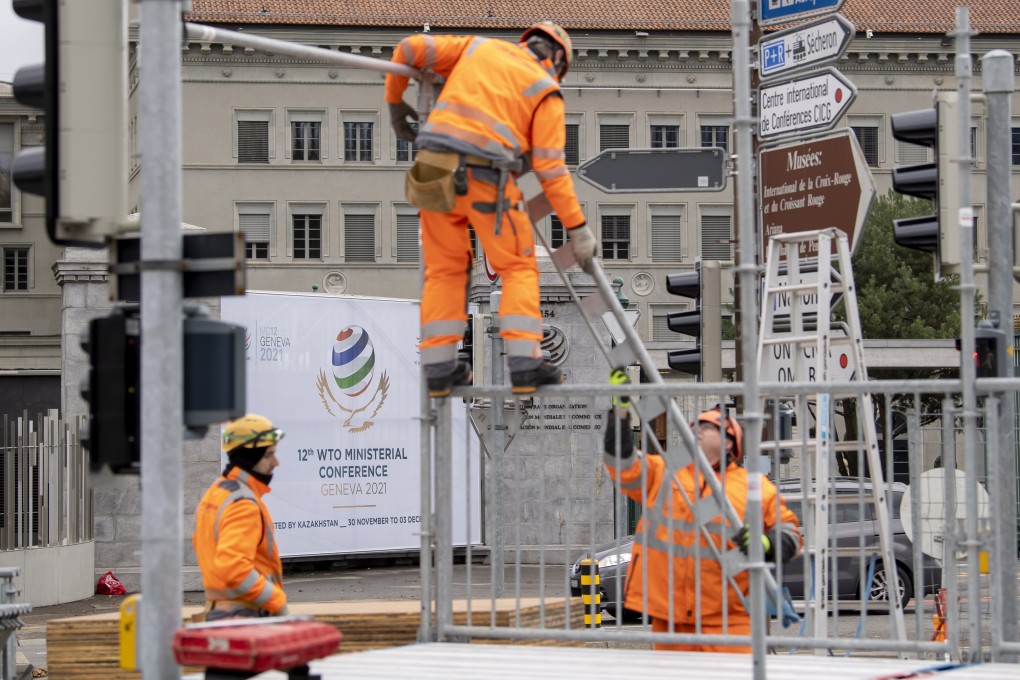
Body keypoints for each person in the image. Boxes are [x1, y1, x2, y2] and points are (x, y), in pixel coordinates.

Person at [384, 22, 597, 397]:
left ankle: (438, 369)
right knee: (517, 266)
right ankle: (525, 363)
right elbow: (551, 169)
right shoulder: (545, 90)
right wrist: (577, 229)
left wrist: (395, 103)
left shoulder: (477, 48)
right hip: (485, 177)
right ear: (558, 58)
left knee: (445, 271)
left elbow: (408, 49)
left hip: (432, 170)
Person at [603, 397, 802, 653]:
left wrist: (765, 543)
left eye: (707, 428)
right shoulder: (665, 472)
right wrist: (618, 418)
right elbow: (622, 465)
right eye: (695, 425)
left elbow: (790, 534)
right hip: (671, 619)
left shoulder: (754, 487)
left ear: (729, 442)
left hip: (730, 619)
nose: (697, 430)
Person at [194, 413, 288, 621]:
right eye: (268, 455)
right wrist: (277, 602)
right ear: (250, 457)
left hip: (222, 614)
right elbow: (234, 568)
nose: (275, 462)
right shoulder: (243, 503)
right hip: (246, 616)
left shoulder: (217, 493)